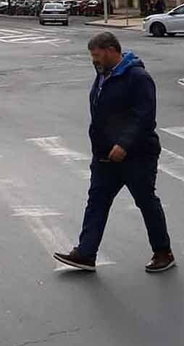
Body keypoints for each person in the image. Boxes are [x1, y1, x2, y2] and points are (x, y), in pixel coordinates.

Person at [54, 32, 174, 274]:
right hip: (105, 157)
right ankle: (86, 254)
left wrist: (124, 144)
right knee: (96, 202)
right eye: (92, 57)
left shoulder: (137, 77)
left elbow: (145, 117)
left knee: (146, 201)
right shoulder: (103, 76)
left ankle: (163, 252)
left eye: (97, 56)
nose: (94, 61)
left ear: (111, 50)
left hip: (137, 155)